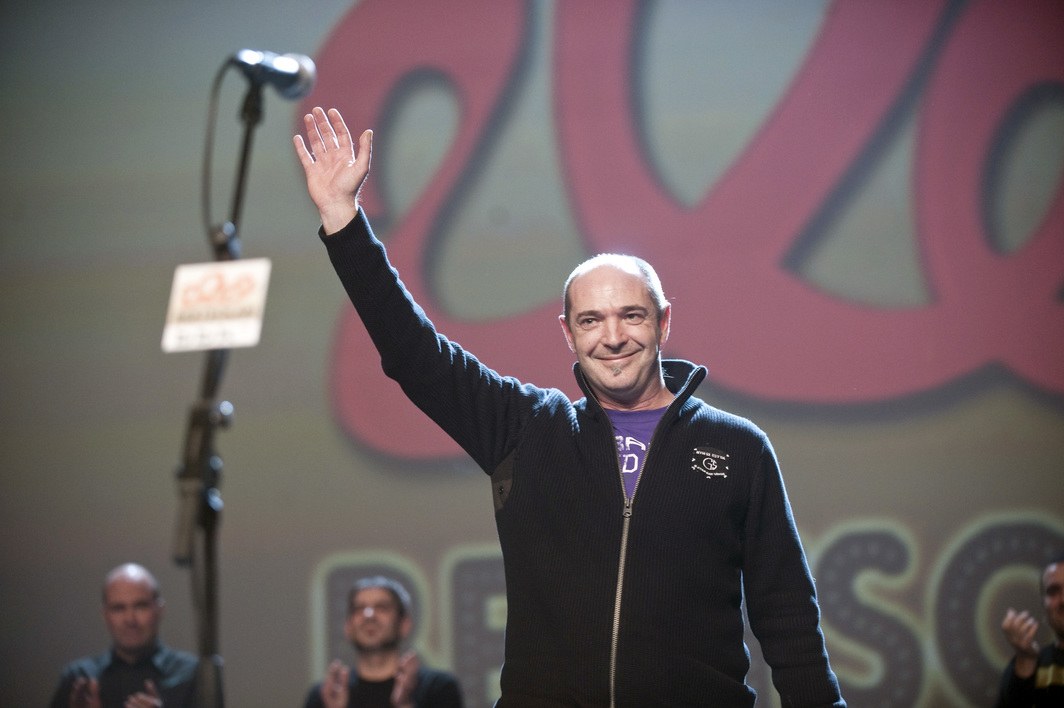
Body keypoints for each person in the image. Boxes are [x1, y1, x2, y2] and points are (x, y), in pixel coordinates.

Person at [293, 106, 845, 707]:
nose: (612, 337)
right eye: (591, 320)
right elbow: (414, 353)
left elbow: (789, 618)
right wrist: (344, 222)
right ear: (567, 333)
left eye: (631, 315)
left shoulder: (738, 448)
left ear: (663, 322)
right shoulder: (526, 429)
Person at [49, 563, 198, 708]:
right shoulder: (79, 678)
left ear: (160, 610)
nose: (130, 619)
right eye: (118, 608)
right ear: (105, 615)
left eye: (140, 606)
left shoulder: (193, 675)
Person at [303, 576, 463, 708]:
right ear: (348, 627)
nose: (369, 615)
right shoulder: (326, 696)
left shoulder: (437, 688)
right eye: (360, 608)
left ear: (404, 624)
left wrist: (405, 704)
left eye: (382, 607)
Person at [996, 556, 1064, 707]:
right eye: (1053, 591)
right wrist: (1026, 660)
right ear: (1043, 603)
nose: (1063, 599)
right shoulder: (1030, 664)